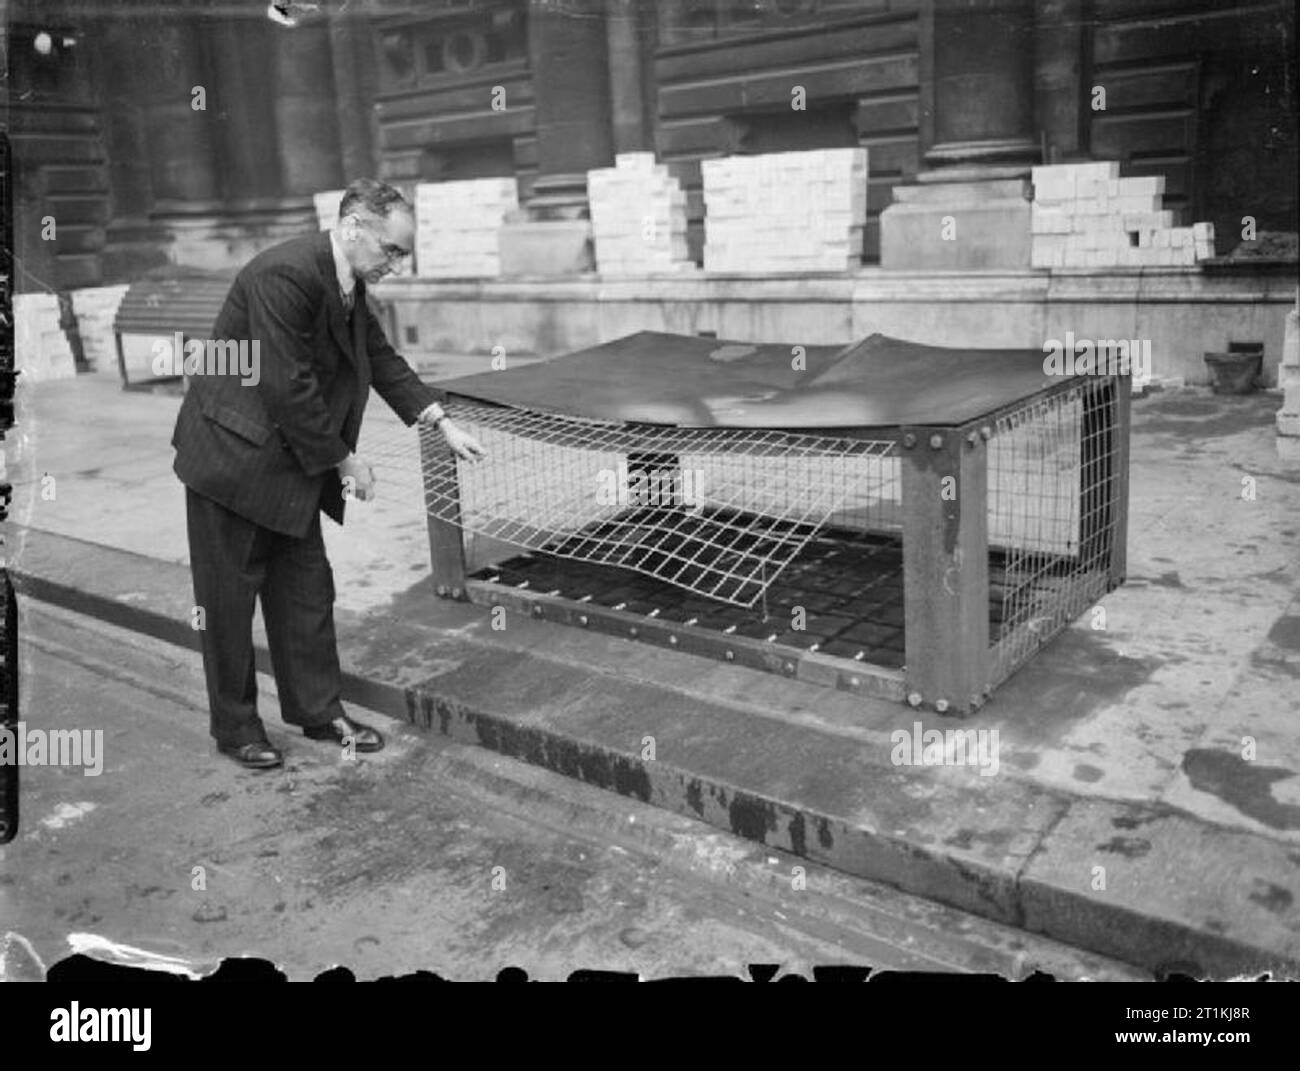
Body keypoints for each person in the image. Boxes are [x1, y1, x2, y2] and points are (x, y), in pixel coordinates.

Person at [171, 178, 485, 769]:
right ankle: (236, 728)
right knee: (230, 602)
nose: (397, 264)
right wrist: (346, 461)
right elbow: (288, 384)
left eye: (403, 255)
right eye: (392, 250)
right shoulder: (283, 275)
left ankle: (319, 711)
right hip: (232, 460)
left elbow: (381, 359)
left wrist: (438, 420)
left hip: (289, 459)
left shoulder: (348, 284)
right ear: (354, 227)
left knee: (306, 590)